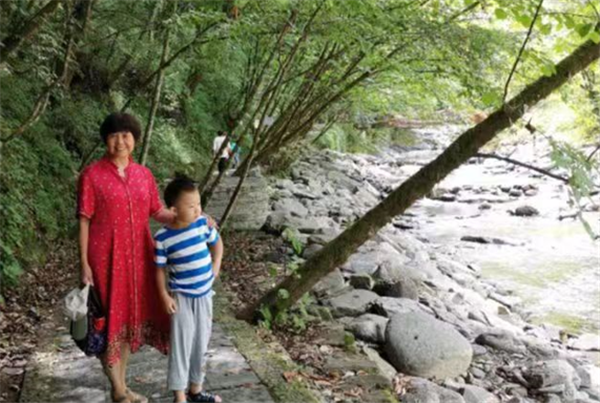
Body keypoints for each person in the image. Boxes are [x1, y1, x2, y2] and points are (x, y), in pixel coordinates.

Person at [77, 112, 175, 403]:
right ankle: (120, 391)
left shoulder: (144, 174)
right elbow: (84, 220)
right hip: (104, 257)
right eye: (113, 135)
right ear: (105, 140)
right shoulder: (92, 175)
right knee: (108, 321)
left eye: (125, 135)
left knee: (127, 322)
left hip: (139, 257)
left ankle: (120, 388)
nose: (120, 141)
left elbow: (158, 211)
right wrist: (83, 263)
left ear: (135, 139)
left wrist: (189, 215)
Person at [154, 176, 224, 403]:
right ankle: (180, 396)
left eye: (199, 204)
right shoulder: (162, 238)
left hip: (204, 295)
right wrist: (164, 295)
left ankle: (196, 389)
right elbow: (159, 270)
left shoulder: (202, 224)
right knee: (181, 345)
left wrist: (216, 264)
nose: (198, 210)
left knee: (201, 342)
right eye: (191, 206)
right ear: (173, 209)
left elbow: (217, 243)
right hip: (181, 297)